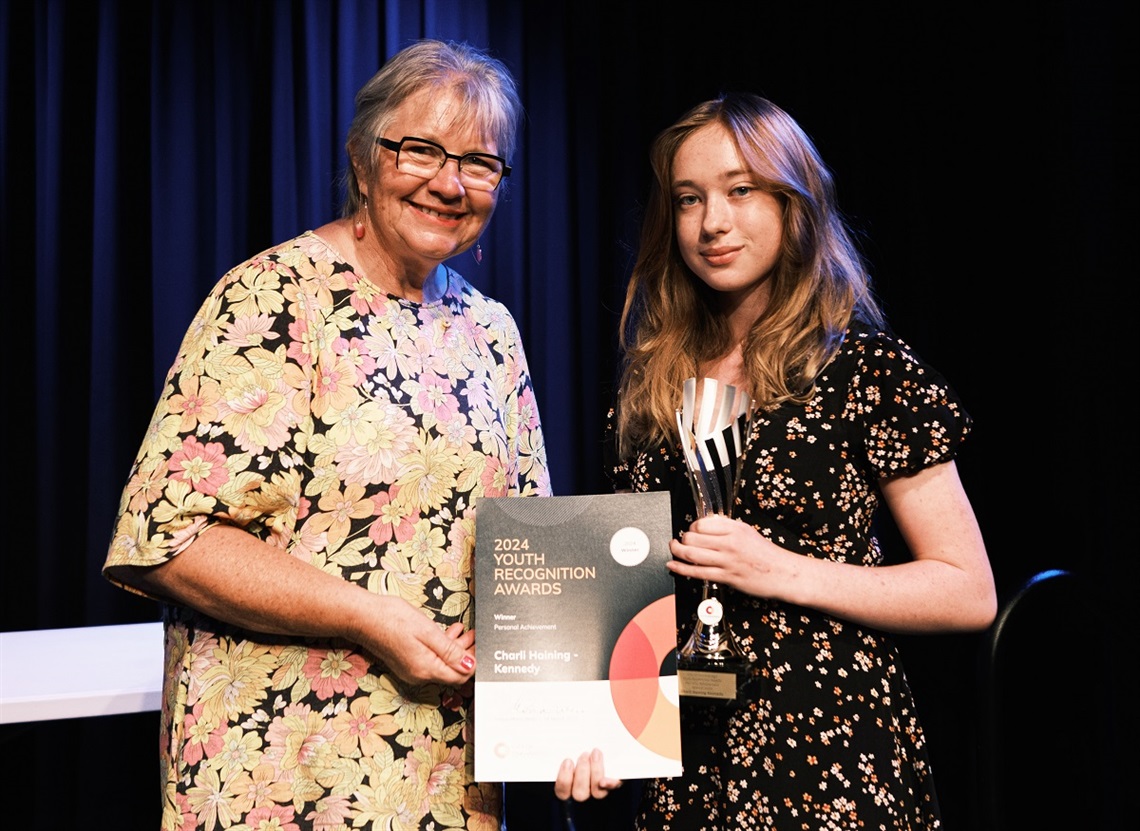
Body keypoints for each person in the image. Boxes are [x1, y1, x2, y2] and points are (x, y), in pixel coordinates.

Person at [103, 39, 554, 830]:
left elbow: (535, 549)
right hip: (284, 774)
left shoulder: (491, 331)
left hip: (454, 782)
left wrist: (580, 717)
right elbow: (168, 536)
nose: (450, 182)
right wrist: (371, 616)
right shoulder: (272, 301)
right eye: (421, 150)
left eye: (481, 163)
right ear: (362, 157)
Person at [554, 92, 997, 828]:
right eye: (689, 199)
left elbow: (966, 590)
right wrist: (595, 728)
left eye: (740, 191)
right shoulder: (650, 388)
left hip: (832, 759)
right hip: (693, 767)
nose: (712, 222)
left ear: (794, 202)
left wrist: (779, 569)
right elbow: (631, 603)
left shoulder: (865, 370)